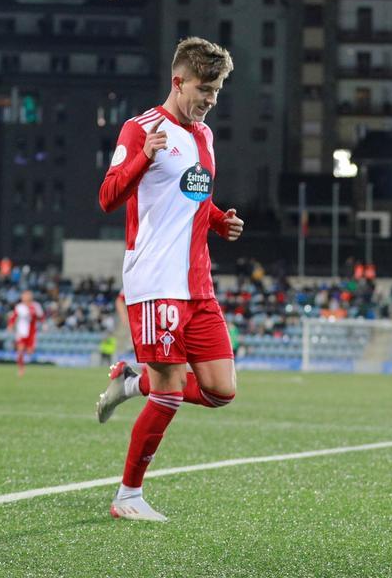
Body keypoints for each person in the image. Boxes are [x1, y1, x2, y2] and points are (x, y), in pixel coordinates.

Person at [94, 36, 244, 522]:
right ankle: (128, 497)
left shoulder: (204, 136)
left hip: (198, 285)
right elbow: (107, 197)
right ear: (178, 81)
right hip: (156, 282)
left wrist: (219, 219)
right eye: (204, 89)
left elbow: (190, 197)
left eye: (217, 92)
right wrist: (143, 157)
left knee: (222, 390)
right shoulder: (141, 128)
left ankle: (131, 381)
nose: (209, 100)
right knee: (170, 393)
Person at [12, 290, 43, 377]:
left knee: (30, 352)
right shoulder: (19, 307)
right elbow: (14, 317)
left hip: (32, 333)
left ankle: (30, 366)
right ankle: (21, 369)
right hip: (21, 332)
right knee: (20, 350)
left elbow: (41, 317)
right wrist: (10, 325)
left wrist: (42, 323)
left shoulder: (36, 306)